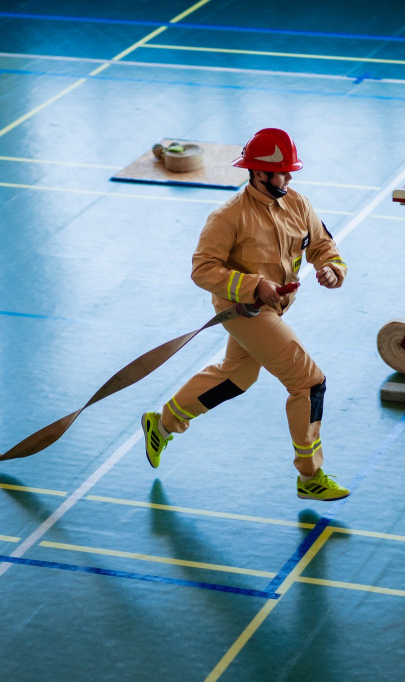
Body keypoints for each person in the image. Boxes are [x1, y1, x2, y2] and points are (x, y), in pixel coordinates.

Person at [140, 128, 350, 501]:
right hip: (245, 311)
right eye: (282, 171)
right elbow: (202, 270)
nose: (289, 177)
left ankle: (163, 423)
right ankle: (310, 475)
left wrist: (333, 268)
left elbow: (322, 244)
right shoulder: (228, 217)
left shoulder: (298, 204)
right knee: (308, 382)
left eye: (289, 170)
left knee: (236, 376)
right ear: (257, 173)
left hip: (273, 311)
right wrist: (253, 287)